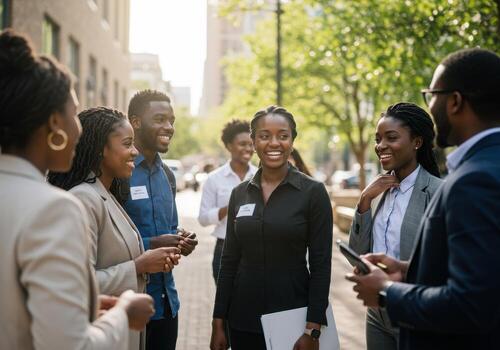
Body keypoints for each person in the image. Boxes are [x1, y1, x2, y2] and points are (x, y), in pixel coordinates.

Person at [0, 29, 154, 349]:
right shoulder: (53, 208)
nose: (79, 128)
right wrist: (123, 314)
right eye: (75, 113)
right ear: (56, 124)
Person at [346, 48, 500, 350]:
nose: (430, 107)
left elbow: (472, 303)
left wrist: (388, 291)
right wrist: (408, 270)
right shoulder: (483, 167)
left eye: (431, 94)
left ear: (454, 101)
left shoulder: (474, 180)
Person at [48, 107, 182, 350]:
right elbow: (76, 285)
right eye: (127, 144)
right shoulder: (84, 199)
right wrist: (139, 266)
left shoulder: (107, 194)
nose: (135, 151)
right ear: (101, 148)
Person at [211, 106, 333, 350]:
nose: (274, 143)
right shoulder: (240, 193)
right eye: (265, 136)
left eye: (283, 135)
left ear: (292, 140)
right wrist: (218, 323)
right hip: (242, 319)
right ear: (254, 141)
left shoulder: (313, 192)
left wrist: (313, 328)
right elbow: (229, 261)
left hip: (293, 319)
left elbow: (321, 264)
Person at [348, 102, 442, 350]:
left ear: (417, 142)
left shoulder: (437, 192)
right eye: (378, 139)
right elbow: (357, 253)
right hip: (376, 313)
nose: (380, 146)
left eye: (391, 137)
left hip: (414, 311)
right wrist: (364, 201)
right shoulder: (376, 192)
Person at [124, 90, 199, 350]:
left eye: (171, 120)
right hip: (128, 306)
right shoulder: (120, 172)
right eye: (159, 119)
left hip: (167, 306)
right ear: (135, 122)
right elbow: (105, 241)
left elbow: (170, 228)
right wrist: (153, 243)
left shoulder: (168, 175)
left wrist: (181, 239)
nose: (168, 127)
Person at [198, 119, 257, 283]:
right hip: (225, 248)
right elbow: (203, 218)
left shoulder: (262, 177)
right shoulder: (214, 179)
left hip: (256, 249)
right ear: (229, 145)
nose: (248, 148)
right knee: (226, 304)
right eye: (242, 144)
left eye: (251, 144)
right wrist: (230, 207)